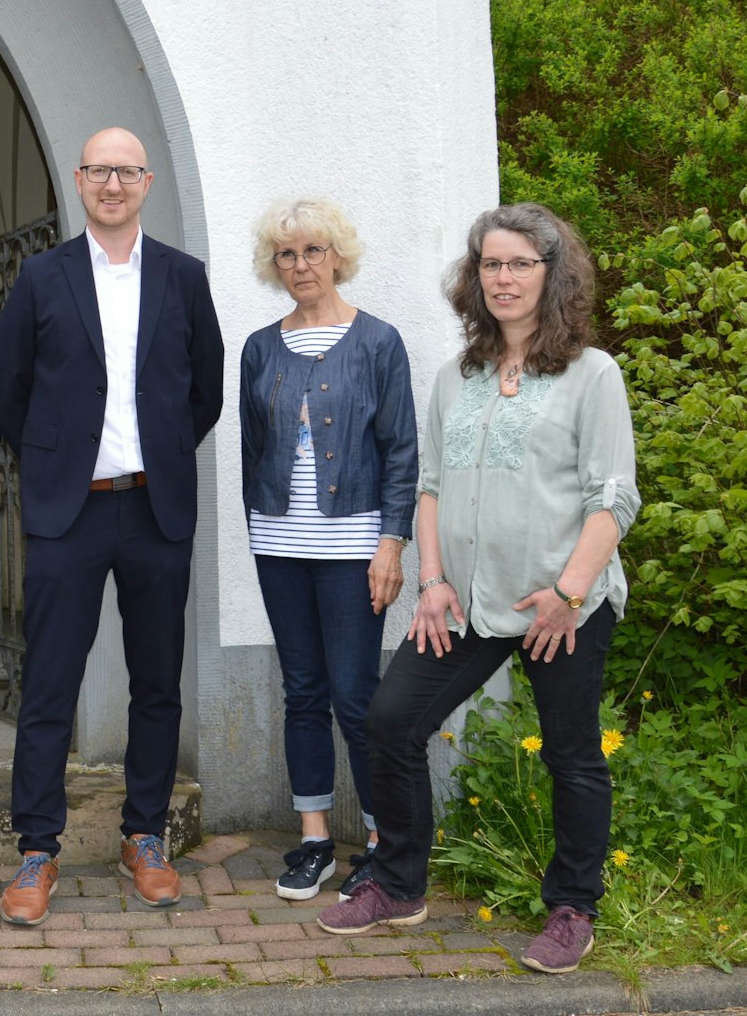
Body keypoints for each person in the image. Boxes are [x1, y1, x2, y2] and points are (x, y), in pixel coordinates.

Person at [316, 203, 639, 976]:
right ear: (475, 277)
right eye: (491, 263)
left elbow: (613, 498)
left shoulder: (592, 374)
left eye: (520, 263)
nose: (503, 277)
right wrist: (430, 581)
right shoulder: (455, 376)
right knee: (390, 721)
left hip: (558, 605)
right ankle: (398, 883)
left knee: (571, 751)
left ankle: (573, 907)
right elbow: (429, 486)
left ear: (551, 274)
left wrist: (569, 589)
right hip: (462, 600)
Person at [0, 127, 225, 927]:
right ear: (79, 180)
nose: (112, 184)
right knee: (50, 682)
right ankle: (37, 849)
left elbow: (206, 391)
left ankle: (144, 836)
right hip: (69, 510)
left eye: (126, 171)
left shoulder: (184, 279)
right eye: (99, 171)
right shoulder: (41, 276)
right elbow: (7, 390)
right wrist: (57, 463)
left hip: (155, 507)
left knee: (157, 681)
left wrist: (154, 452)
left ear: (147, 182)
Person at [239, 199, 416, 900]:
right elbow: (254, 449)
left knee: (354, 694)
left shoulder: (377, 342)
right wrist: (257, 527)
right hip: (279, 543)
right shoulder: (260, 346)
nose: (300, 264)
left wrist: (390, 543)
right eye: (287, 254)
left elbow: (400, 449)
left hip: (353, 544)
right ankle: (313, 836)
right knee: (303, 691)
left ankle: (378, 839)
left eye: (313, 250)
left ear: (337, 254)